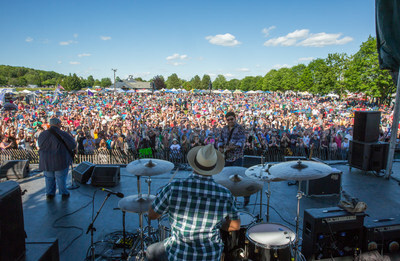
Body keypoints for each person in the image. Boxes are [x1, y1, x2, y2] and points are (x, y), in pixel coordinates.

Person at [146, 144, 240, 261]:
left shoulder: (173, 188)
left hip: (179, 254)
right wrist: (219, 225)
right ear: (214, 167)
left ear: (194, 164)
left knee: (150, 251)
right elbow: (235, 226)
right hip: (210, 256)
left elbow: (152, 215)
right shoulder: (225, 194)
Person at [38, 117, 76, 200]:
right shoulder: (63, 133)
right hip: (60, 159)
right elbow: (73, 145)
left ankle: (50, 193)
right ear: (58, 124)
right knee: (61, 178)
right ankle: (63, 193)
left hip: (46, 160)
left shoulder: (42, 134)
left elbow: (39, 145)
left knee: (49, 178)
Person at [218, 111, 248, 205]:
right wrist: (220, 147)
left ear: (235, 118)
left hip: (237, 157)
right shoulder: (224, 129)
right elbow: (220, 140)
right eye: (228, 120)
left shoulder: (240, 128)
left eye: (232, 119)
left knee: (238, 178)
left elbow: (242, 141)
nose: (230, 121)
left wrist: (233, 146)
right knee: (227, 178)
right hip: (227, 157)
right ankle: (230, 198)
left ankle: (246, 195)